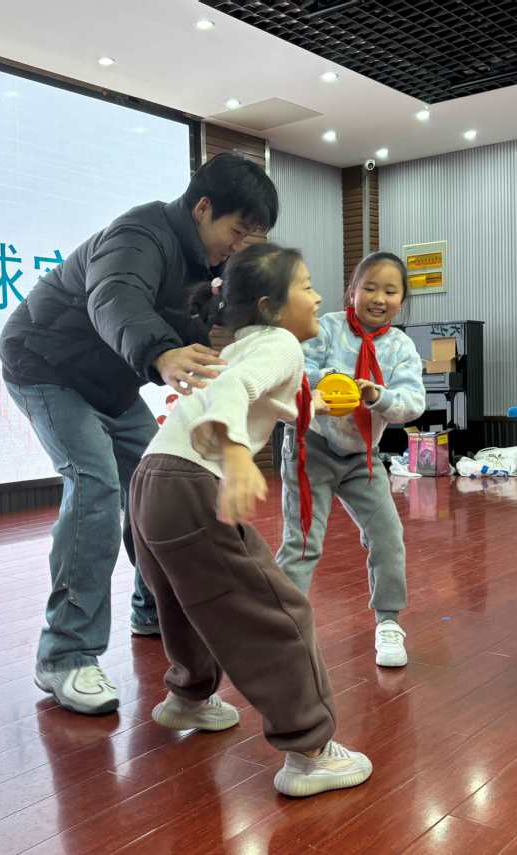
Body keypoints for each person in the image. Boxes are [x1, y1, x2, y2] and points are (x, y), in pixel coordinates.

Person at [0, 153, 279, 714]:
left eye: (251, 238)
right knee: (96, 484)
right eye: (236, 231)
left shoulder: (204, 263)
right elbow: (115, 296)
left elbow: (196, 322)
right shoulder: (139, 234)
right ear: (202, 208)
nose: (238, 246)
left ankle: (150, 610)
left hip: (109, 383)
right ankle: (64, 655)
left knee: (156, 484)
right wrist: (161, 352)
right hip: (45, 365)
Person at [129, 242, 373, 798]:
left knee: (185, 599)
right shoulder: (281, 343)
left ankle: (189, 697)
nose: (318, 297)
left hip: (151, 478)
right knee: (280, 612)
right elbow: (233, 390)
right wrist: (237, 454)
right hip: (192, 481)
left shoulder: (244, 345)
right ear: (271, 307)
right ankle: (309, 752)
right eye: (306, 286)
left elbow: (248, 389)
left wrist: (314, 405)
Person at [277, 252, 425, 666]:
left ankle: (389, 622)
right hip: (312, 448)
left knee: (388, 537)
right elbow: (297, 368)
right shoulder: (326, 328)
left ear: (402, 300)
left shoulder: (401, 348)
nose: (378, 298)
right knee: (303, 541)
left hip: (364, 457)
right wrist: (334, 381)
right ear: (352, 291)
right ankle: (281, 627)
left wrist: (379, 396)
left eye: (390, 291)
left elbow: (413, 402)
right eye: (369, 288)